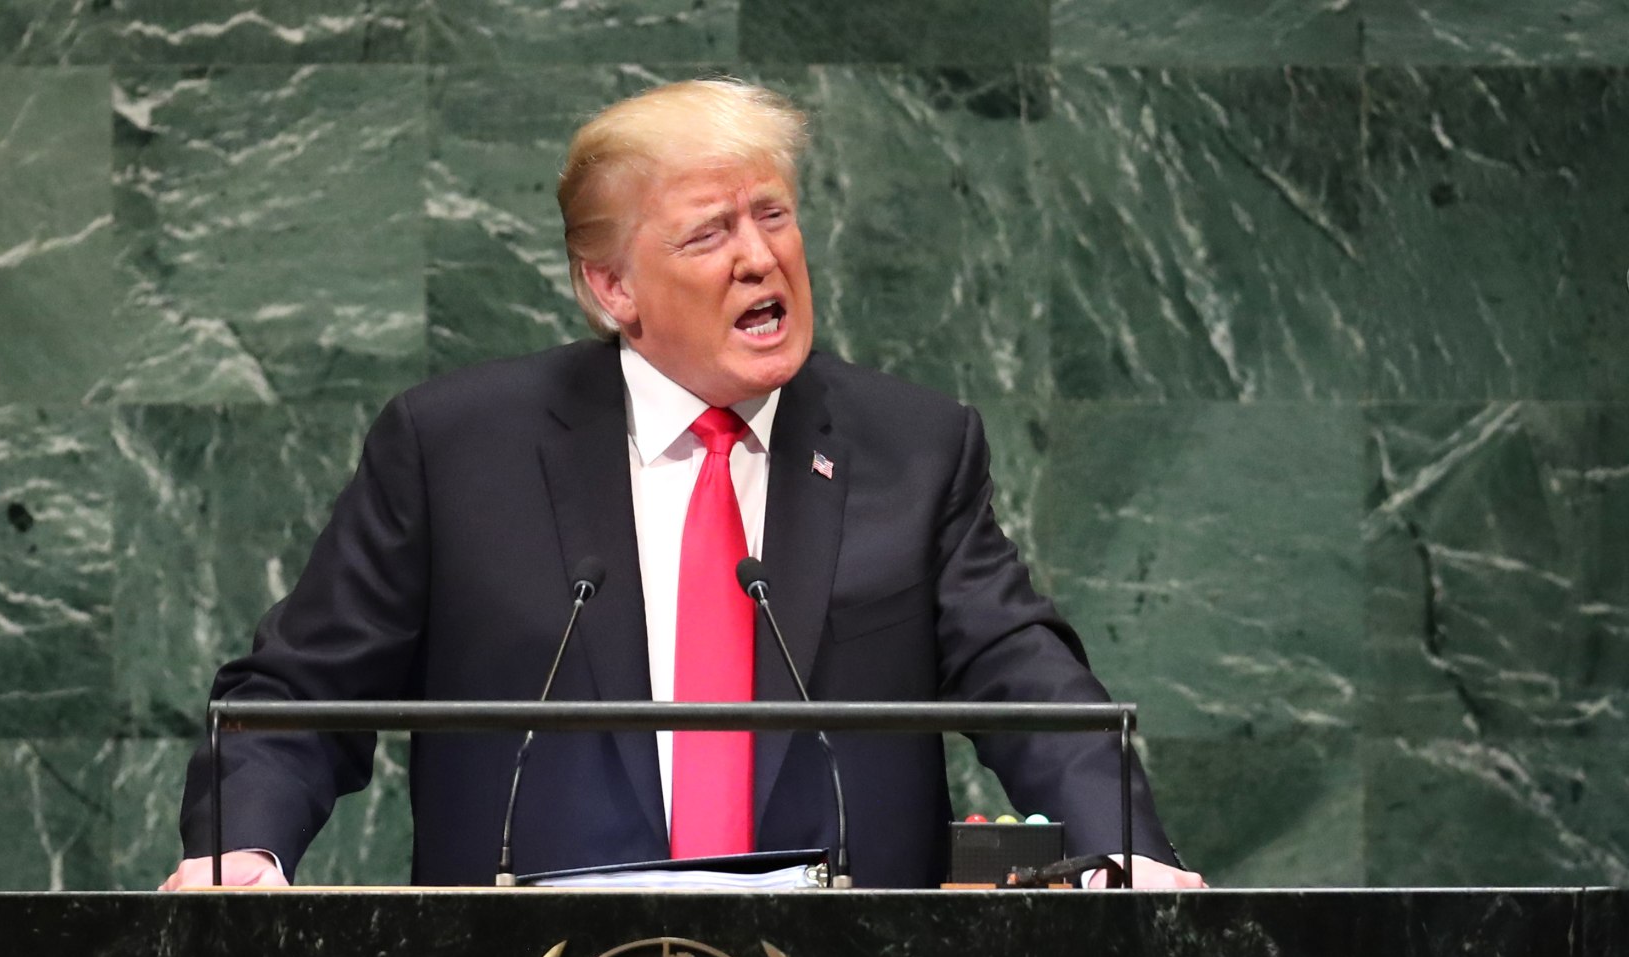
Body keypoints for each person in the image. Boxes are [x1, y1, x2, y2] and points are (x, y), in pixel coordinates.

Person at [161, 79, 1203, 892]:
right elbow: (295, 697)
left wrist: (1124, 851)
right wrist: (241, 850)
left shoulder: (912, 446)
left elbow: (1027, 681)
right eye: (710, 232)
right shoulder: (455, 449)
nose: (760, 258)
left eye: (775, 216)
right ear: (612, 286)